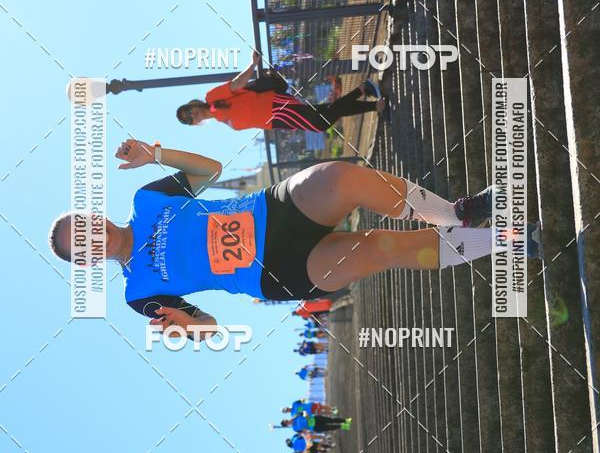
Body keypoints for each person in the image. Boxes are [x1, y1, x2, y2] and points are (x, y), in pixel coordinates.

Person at [49, 139, 535, 335]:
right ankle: (510, 240)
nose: (95, 237)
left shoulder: (146, 201)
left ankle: (457, 212)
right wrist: (187, 324)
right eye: (84, 246)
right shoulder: (140, 293)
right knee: (385, 247)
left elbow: (210, 169)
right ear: (90, 262)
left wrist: (156, 152)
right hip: (276, 274)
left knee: (339, 177)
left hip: (271, 209)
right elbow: (211, 324)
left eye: (87, 225)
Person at [175, 51, 386, 132]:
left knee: (320, 124)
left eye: (189, 111)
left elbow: (238, 84)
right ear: (194, 124)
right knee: (325, 113)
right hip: (276, 120)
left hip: (274, 107)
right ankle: (374, 104)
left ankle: (364, 89)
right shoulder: (222, 120)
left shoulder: (212, 98)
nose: (192, 115)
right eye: (189, 119)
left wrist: (251, 64)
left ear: (192, 105)